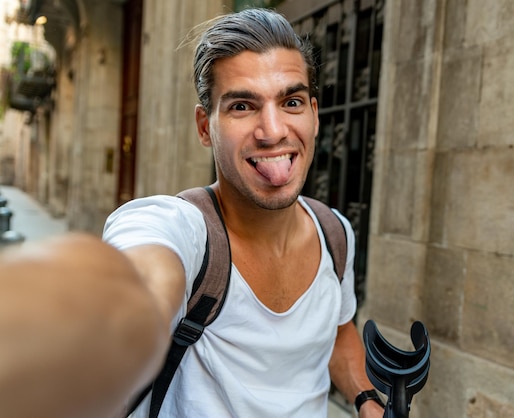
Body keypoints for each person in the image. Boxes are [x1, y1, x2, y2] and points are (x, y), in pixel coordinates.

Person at [0, 8, 384, 418]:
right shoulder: (175, 227)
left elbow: (339, 334)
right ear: (205, 126)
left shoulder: (335, 233)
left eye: (290, 101)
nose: (273, 130)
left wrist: (367, 400)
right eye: (242, 106)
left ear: (314, 114)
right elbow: (136, 283)